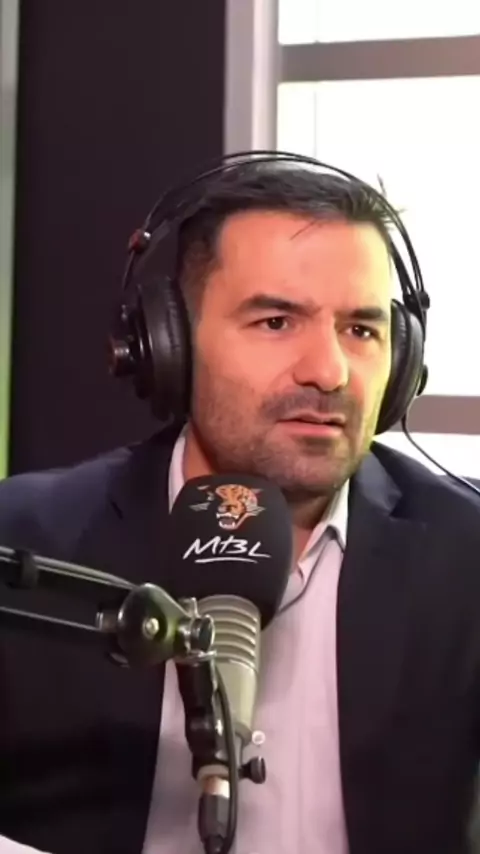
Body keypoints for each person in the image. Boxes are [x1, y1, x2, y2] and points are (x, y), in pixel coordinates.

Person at [0, 153, 480, 854]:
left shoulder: (465, 559)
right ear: (169, 344)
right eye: (277, 321)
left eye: (361, 330)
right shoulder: (26, 546)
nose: (329, 371)